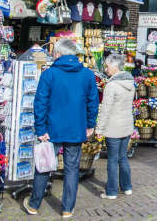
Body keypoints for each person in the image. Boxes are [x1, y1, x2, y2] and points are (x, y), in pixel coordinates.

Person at [24, 39, 99, 219]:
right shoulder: (87, 75)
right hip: (76, 129)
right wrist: (90, 124)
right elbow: (92, 103)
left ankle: (34, 205)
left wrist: (40, 128)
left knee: (44, 167)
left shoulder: (49, 74)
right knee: (72, 169)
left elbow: (40, 103)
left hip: (52, 129)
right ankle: (67, 208)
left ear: (58, 53)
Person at [97, 54, 134, 200]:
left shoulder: (112, 86)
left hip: (113, 127)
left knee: (112, 160)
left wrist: (99, 129)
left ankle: (111, 191)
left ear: (115, 67)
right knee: (122, 157)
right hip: (126, 125)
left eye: (107, 66)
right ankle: (127, 187)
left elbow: (106, 109)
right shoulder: (130, 83)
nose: (106, 69)